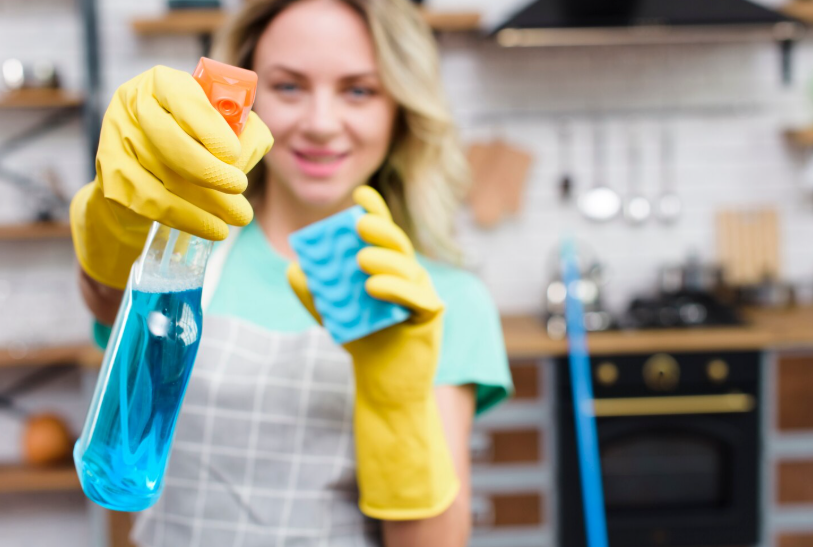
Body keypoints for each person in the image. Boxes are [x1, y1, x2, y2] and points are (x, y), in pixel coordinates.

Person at [70, 0, 513, 545]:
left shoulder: (440, 299)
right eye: (288, 87)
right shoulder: (188, 252)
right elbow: (109, 302)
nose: (321, 124)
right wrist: (119, 224)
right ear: (246, 104)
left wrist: (396, 410)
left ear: (400, 108)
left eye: (359, 90)